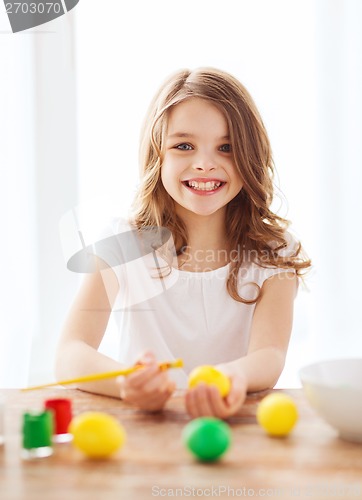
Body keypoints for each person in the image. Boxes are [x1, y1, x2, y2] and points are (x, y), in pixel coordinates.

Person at [56, 67, 311, 419]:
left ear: (251, 156)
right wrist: (125, 383)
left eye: (227, 147)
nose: (205, 164)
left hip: (233, 428)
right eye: (184, 146)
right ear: (157, 155)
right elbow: (70, 352)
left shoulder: (276, 253)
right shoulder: (122, 244)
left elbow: (269, 355)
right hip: (144, 431)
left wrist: (232, 377)